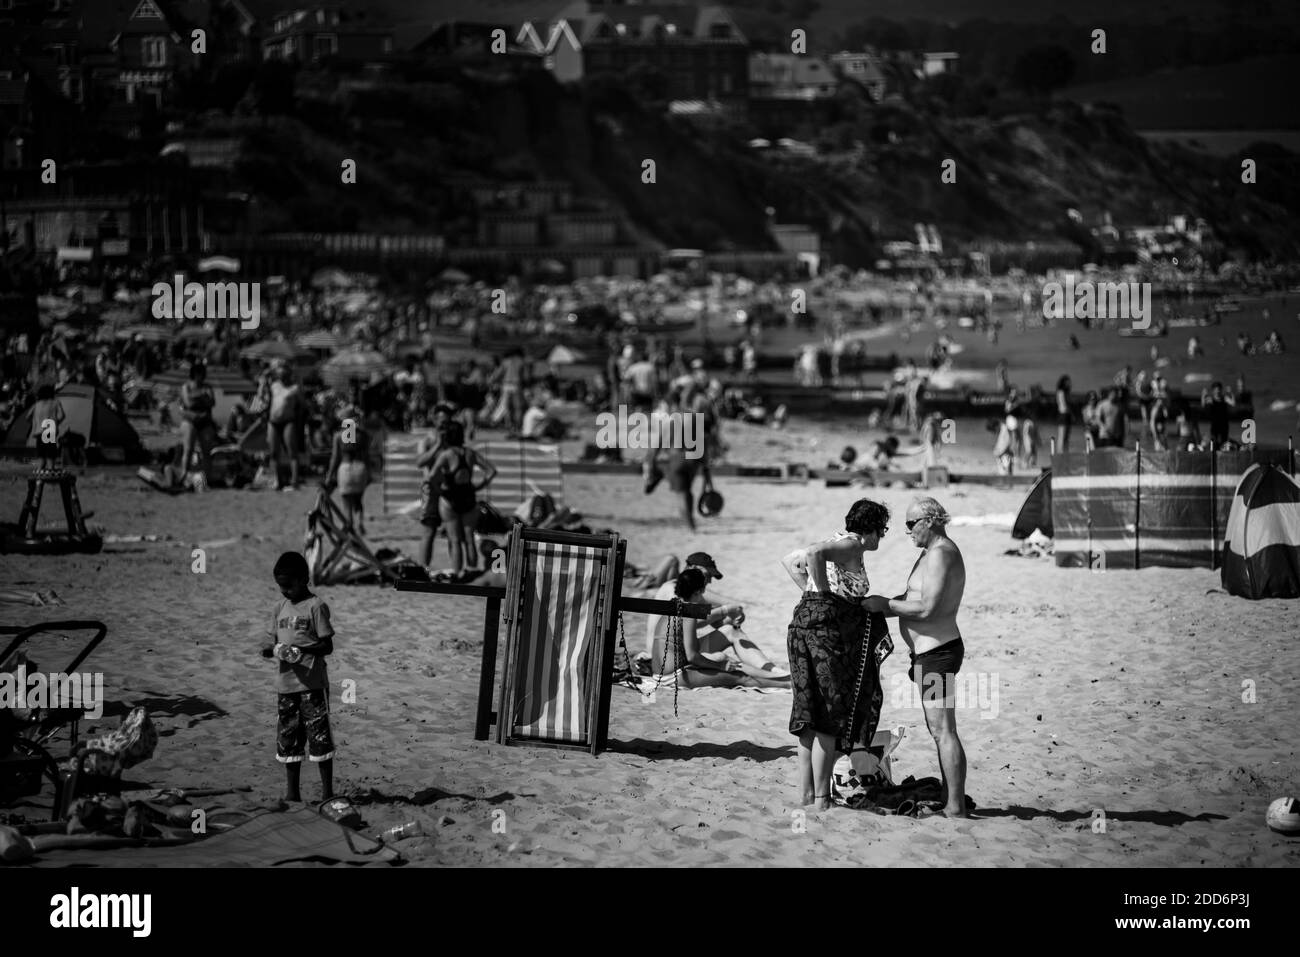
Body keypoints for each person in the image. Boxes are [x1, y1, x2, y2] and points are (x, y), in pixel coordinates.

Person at [781, 498, 891, 809]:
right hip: (823, 635)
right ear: (869, 529)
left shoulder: (839, 539)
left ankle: (806, 796)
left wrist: (812, 592)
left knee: (809, 716)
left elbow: (790, 561)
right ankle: (821, 801)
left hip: (802, 627)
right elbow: (814, 553)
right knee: (829, 717)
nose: (881, 537)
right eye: (882, 531)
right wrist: (825, 599)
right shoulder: (853, 544)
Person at [863, 497, 968, 818]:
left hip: (938, 653)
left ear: (931, 520)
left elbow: (927, 609)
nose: (906, 531)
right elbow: (912, 600)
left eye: (911, 524)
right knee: (939, 729)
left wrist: (884, 604)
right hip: (927, 654)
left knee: (943, 730)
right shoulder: (930, 554)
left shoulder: (941, 555)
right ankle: (951, 799)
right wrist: (876, 606)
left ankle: (956, 807)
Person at [259, 551, 336, 803]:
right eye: (281, 587)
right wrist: (271, 650)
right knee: (289, 740)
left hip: (312, 686)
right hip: (286, 687)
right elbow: (272, 642)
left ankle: (327, 794)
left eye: (289, 586)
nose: (285, 591)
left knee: (320, 739)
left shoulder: (316, 606)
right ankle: (293, 794)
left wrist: (303, 650)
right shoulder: (278, 608)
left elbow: (327, 646)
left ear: (304, 579)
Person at [643, 552, 788, 679]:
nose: (710, 581)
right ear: (693, 569)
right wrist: (724, 610)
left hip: (681, 653)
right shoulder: (672, 589)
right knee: (724, 660)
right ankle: (775, 675)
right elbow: (690, 620)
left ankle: (773, 671)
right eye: (707, 575)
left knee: (731, 632)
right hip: (661, 658)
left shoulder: (692, 596)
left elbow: (716, 623)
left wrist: (733, 620)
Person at [428, 421, 497, 577]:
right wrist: (479, 486)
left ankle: (458, 573)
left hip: (449, 498)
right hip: (468, 497)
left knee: (454, 540)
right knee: (469, 539)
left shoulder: (446, 455)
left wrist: (439, 490)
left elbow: (431, 476)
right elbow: (491, 470)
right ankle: (471, 572)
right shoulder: (470, 453)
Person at [324, 404, 371, 535]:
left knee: (347, 504)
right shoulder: (363, 435)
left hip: (345, 468)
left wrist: (329, 476)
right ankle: (359, 521)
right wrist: (370, 473)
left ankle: (350, 528)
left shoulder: (338, 436)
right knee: (358, 501)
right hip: (360, 468)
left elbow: (335, 458)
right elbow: (367, 456)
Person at [267, 363, 305, 491]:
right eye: (280, 375)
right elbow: (263, 399)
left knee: (292, 451)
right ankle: (278, 480)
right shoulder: (274, 386)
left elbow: (302, 404)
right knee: (273, 452)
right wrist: (262, 382)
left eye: (284, 375)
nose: (282, 378)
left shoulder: (295, 388)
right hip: (273, 422)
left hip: (288, 421)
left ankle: (295, 481)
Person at [179, 362, 218, 484]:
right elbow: (188, 403)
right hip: (190, 421)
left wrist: (196, 398)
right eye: (199, 373)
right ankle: (184, 475)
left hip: (205, 422)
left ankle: (208, 478)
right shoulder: (186, 387)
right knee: (188, 449)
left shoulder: (207, 387)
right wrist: (202, 396)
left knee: (206, 451)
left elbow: (211, 403)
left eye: (202, 374)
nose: (201, 376)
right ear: (194, 374)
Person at [29, 384, 66, 470]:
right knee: (50, 456)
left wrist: (36, 423)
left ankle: (39, 478)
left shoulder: (37, 404)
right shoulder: (55, 402)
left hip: (39, 432)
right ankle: (50, 474)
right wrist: (55, 422)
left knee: (41, 456)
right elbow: (62, 415)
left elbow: (28, 416)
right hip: (49, 430)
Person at [1202, 381, 1230, 448]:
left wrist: (1230, 393)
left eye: (1219, 390)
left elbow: (1232, 404)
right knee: (1214, 444)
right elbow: (1204, 406)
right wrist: (1203, 395)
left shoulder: (1224, 399)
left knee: (1224, 444)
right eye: (1216, 390)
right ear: (1213, 391)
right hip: (1215, 426)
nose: (1218, 391)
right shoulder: (1210, 400)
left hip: (1224, 425)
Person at [1055, 375, 1072, 453]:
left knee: (1066, 437)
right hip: (1063, 414)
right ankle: (1060, 453)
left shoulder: (1065, 391)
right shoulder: (1061, 392)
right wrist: (1071, 413)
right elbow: (1064, 404)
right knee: (1062, 436)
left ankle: (1065, 452)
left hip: (1066, 414)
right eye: (1067, 382)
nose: (1069, 383)